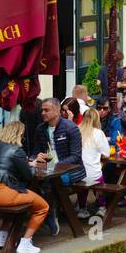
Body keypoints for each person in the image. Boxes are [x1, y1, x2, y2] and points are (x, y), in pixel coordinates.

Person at [0, 122, 47, 253]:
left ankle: (1, 237)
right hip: (5, 193)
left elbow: (3, 163)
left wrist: (26, 163)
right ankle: (25, 243)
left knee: (13, 204)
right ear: (19, 134)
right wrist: (31, 166)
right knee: (43, 207)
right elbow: (28, 176)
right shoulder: (17, 150)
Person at [33, 97, 84, 235]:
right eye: (41, 110)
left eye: (46, 110)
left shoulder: (70, 128)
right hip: (48, 170)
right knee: (30, 181)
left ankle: (50, 213)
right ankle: (44, 211)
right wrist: (37, 157)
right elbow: (35, 153)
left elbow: (76, 157)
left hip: (73, 170)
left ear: (56, 111)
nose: (43, 113)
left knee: (50, 182)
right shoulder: (40, 129)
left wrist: (55, 164)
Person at [76, 107, 111, 219]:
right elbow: (107, 153)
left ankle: (82, 208)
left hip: (78, 174)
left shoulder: (76, 130)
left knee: (83, 179)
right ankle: (102, 206)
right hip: (94, 175)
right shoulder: (98, 133)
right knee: (98, 176)